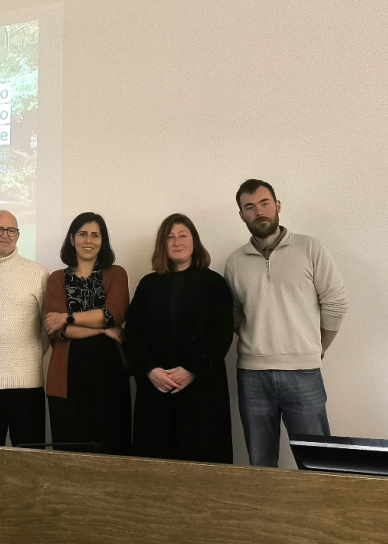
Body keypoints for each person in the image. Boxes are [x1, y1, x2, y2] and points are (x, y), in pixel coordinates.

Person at [224, 179, 349, 468]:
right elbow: (233, 312)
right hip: (252, 376)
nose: (259, 212)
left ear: (278, 206)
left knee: (318, 465)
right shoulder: (234, 262)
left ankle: (318, 515)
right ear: (242, 215)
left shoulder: (310, 248)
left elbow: (335, 302)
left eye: (265, 203)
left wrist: (316, 347)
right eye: (250, 207)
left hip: (304, 373)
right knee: (261, 464)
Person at [124, 214, 234, 463]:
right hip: (156, 389)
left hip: (202, 390)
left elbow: (221, 334)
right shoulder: (148, 285)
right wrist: (150, 370)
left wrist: (192, 370)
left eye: (183, 235)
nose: (176, 241)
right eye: (169, 237)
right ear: (162, 245)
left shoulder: (214, 283)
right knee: (155, 466)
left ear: (194, 240)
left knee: (202, 464)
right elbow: (133, 334)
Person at [44, 212, 130, 454]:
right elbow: (56, 331)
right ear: (72, 239)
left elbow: (114, 314)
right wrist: (104, 332)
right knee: (70, 449)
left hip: (110, 373)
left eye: (95, 235)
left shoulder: (116, 273)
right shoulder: (56, 279)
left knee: (112, 447)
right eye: (82, 234)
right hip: (67, 376)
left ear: (103, 241)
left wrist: (68, 317)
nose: (88, 240)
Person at [0, 210, 49, 446]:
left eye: (11, 230)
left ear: (18, 235)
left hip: (27, 384)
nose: (5, 235)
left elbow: (47, 328)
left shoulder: (39, 273)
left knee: (28, 462)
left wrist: (27, 358)